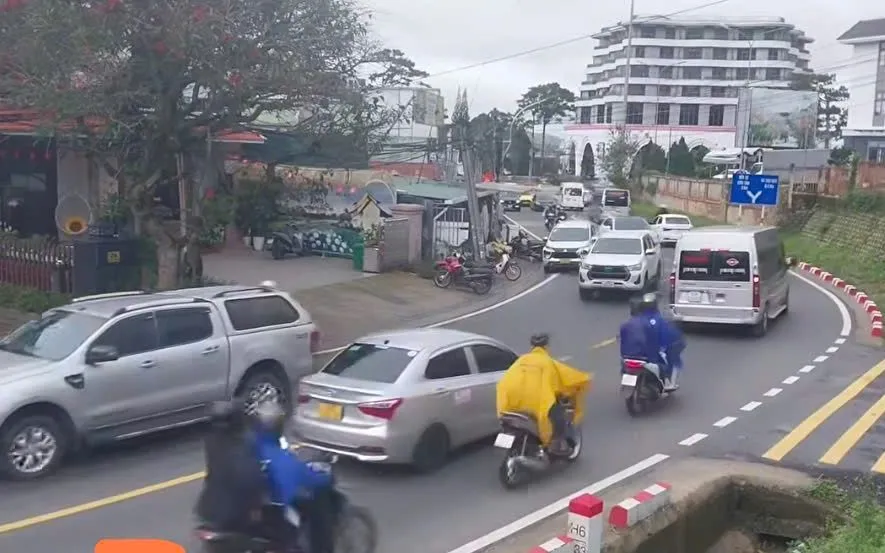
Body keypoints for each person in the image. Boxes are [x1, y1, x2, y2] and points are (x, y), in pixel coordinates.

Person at [252, 401, 335, 553]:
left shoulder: (249, 446)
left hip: (253, 507)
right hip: (278, 513)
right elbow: (307, 478)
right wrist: (324, 477)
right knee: (317, 514)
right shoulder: (282, 459)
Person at [496, 333, 591, 455]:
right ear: (546, 345)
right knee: (557, 417)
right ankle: (555, 444)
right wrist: (583, 380)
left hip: (513, 403)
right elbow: (566, 377)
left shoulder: (521, 360)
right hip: (534, 402)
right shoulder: (547, 362)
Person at [194, 400, 267, 535]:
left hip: (208, 506)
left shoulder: (212, 441)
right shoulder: (243, 445)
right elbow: (248, 479)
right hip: (234, 512)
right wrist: (256, 507)